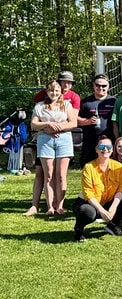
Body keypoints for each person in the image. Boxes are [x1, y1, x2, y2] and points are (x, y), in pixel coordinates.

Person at [25, 71, 81, 216]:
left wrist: (58, 127)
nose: (54, 93)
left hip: (64, 140)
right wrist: (48, 125)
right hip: (45, 140)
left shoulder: (67, 104)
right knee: (48, 174)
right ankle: (50, 206)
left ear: (60, 91)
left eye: (57, 91)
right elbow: (33, 124)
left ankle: (59, 205)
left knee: (61, 175)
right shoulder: (39, 106)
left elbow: (73, 122)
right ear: (47, 91)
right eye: (51, 90)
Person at [73, 136, 122, 241]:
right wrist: (102, 211)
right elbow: (88, 193)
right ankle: (78, 230)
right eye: (101, 146)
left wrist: (113, 207)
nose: (105, 149)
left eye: (108, 146)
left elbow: (120, 189)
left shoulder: (118, 167)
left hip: (107, 201)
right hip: (90, 202)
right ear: (96, 150)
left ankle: (111, 225)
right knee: (87, 212)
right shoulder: (89, 167)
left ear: (112, 150)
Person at [77, 74, 116, 167]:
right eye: (98, 85)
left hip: (109, 142)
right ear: (93, 85)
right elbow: (75, 119)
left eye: (104, 86)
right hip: (90, 142)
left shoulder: (114, 101)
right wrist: (88, 121)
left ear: (108, 86)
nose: (101, 88)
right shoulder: (85, 102)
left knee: (109, 170)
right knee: (88, 169)